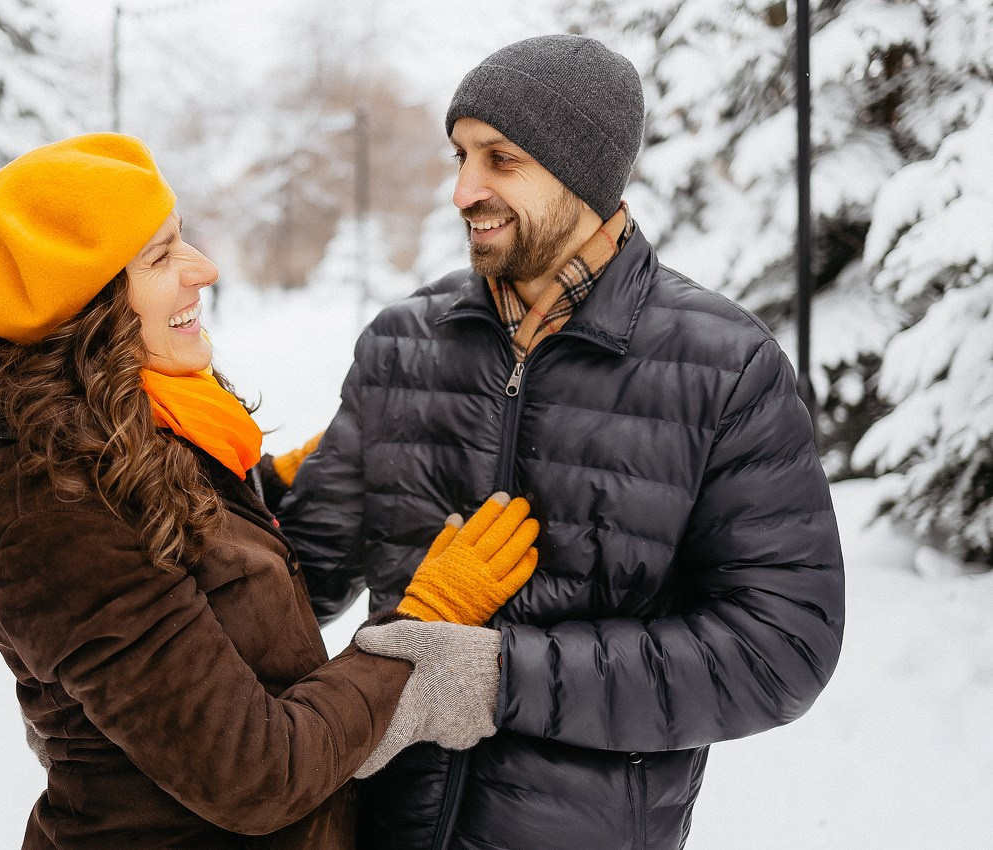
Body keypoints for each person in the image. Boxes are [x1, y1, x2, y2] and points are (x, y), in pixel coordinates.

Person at [279, 34, 846, 850]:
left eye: (500, 159)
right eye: (460, 156)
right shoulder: (403, 343)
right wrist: (198, 483)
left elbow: (778, 648)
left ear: (581, 170)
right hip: (379, 829)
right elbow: (294, 579)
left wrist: (500, 677)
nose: (463, 189)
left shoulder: (723, 367)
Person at [0, 133, 542, 849]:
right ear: (84, 311)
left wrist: (281, 482)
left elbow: (192, 557)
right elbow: (256, 774)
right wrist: (418, 630)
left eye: (181, 239)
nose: (205, 269)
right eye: (160, 256)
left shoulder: (137, 434)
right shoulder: (53, 514)